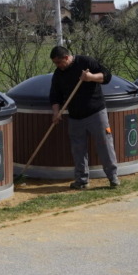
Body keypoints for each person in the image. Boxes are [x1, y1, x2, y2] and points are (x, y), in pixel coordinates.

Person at [49, 45, 120, 189]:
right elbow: (55, 95)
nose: (57, 66)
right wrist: (56, 112)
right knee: (78, 149)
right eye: (55, 63)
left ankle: (113, 177)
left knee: (104, 145)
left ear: (67, 57)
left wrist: (90, 77)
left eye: (58, 62)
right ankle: (81, 180)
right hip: (75, 117)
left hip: (96, 113)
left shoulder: (86, 62)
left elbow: (107, 76)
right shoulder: (58, 74)